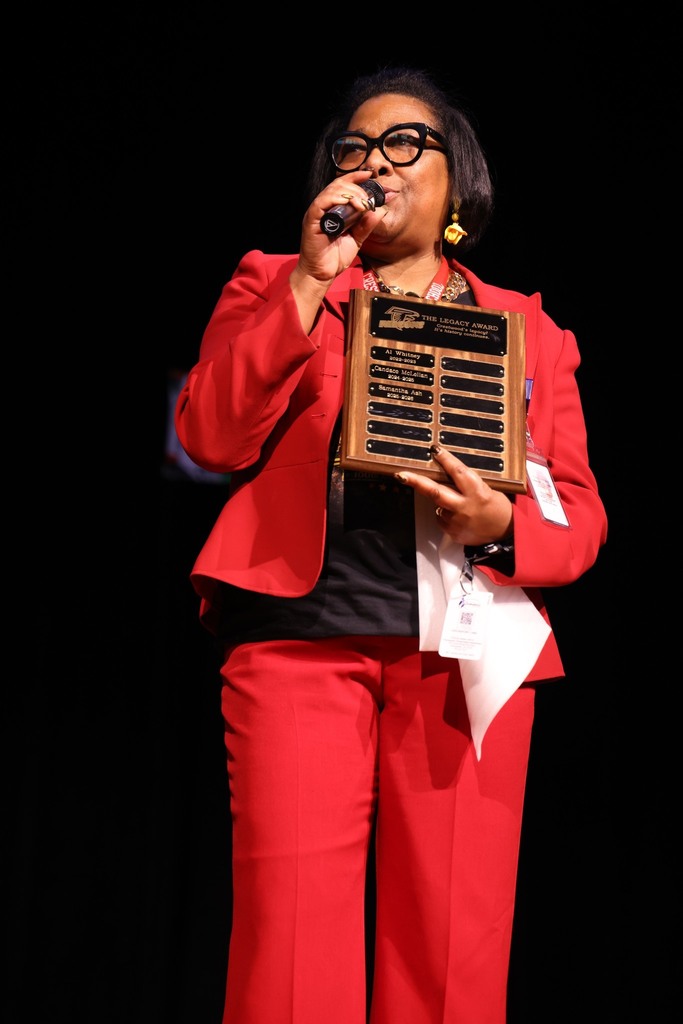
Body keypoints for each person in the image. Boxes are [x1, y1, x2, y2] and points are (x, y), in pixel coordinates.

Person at [174, 66, 607, 1024]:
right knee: (290, 950)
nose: (375, 162)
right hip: (299, 638)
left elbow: (574, 510)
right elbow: (210, 435)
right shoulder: (275, 282)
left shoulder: (529, 330)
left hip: (467, 656)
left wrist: (501, 529)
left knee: (452, 952)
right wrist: (307, 278)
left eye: (404, 143)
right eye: (354, 149)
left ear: (460, 181)